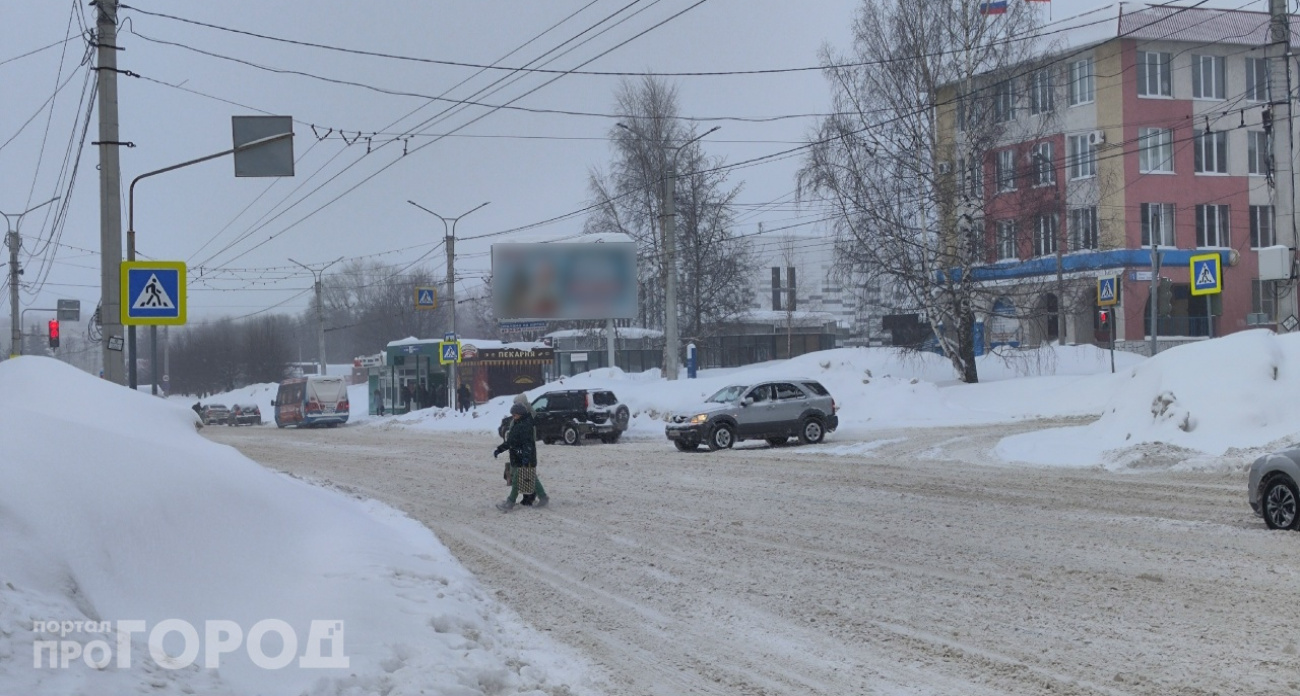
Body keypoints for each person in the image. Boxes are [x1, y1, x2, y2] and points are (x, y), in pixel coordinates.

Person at [493, 402, 548, 511]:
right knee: (531, 478)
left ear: (520, 414)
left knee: (517, 479)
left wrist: (526, 458)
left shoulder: (525, 425)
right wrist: (499, 449)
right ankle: (543, 497)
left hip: (524, 457)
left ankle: (510, 502)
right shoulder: (517, 424)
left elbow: (528, 444)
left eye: (514, 415)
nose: (513, 417)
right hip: (518, 457)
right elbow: (510, 442)